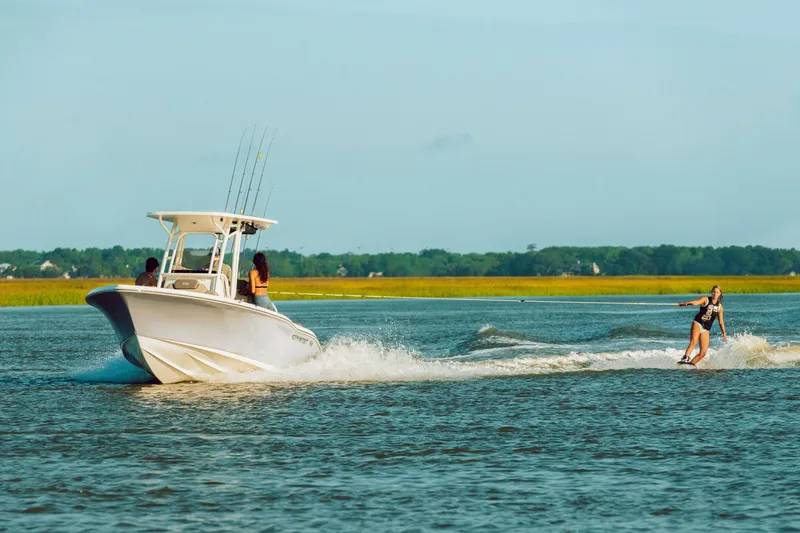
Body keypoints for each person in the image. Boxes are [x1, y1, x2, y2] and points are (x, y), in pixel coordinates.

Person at [677, 285, 728, 365]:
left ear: (720, 294)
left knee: (703, 353)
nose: (715, 294)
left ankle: (691, 364)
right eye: (714, 292)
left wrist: (724, 333)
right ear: (711, 292)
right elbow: (696, 302)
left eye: (717, 292)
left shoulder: (720, 307)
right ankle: (685, 357)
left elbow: (721, 322)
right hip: (698, 323)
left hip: (706, 329)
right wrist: (687, 303)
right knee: (694, 341)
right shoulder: (705, 299)